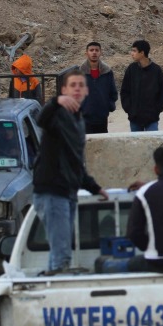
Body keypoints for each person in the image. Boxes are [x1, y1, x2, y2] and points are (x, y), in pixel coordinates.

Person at [34, 68, 107, 274]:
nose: (77, 89)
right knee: (62, 254)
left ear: (86, 91)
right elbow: (42, 120)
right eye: (72, 86)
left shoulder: (78, 119)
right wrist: (55, 101)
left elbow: (75, 162)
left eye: (80, 85)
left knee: (59, 252)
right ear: (64, 90)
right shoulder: (57, 113)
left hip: (68, 191)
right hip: (52, 191)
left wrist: (94, 188)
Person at [120, 40, 163, 133]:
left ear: (142, 53)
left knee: (153, 144)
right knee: (136, 146)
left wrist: (157, 110)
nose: (131, 53)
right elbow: (124, 91)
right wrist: (129, 109)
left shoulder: (156, 70)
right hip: (135, 118)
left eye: (134, 51)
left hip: (151, 117)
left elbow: (162, 92)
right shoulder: (131, 69)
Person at [79, 41, 117, 135]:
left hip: (102, 117)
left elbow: (113, 93)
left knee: (102, 145)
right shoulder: (79, 72)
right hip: (85, 117)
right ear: (86, 53)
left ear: (100, 52)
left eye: (97, 50)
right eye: (91, 50)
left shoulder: (107, 72)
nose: (94, 52)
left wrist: (108, 106)